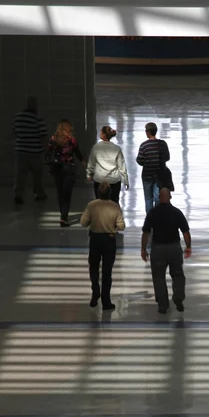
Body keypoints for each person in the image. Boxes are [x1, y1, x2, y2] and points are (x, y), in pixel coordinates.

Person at [141, 188, 191, 314]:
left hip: (158, 249)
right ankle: (178, 297)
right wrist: (188, 246)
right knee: (178, 274)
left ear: (160, 198)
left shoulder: (153, 213)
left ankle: (163, 305)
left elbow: (146, 232)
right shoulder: (176, 212)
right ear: (170, 197)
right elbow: (185, 232)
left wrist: (143, 249)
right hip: (174, 248)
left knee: (158, 277)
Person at [80, 182, 125, 311]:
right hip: (109, 240)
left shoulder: (92, 205)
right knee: (107, 271)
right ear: (110, 193)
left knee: (93, 268)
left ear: (98, 192)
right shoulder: (115, 206)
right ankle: (106, 301)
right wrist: (114, 227)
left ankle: (95, 292)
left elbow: (83, 222)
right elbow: (121, 226)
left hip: (95, 239)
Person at [48, 119, 85, 227]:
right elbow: (77, 152)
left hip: (57, 168)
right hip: (69, 168)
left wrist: (50, 168)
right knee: (67, 194)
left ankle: (62, 214)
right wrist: (83, 161)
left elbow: (49, 153)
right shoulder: (71, 140)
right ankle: (64, 217)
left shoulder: (53, 139)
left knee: (60, 193)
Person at [13, 96, 48, 204]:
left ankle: (18, 195)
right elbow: (43, 137)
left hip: (21, 151)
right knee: (37, 175)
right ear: (34, 105)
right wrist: (47, 149)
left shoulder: (18, 118)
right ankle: (39, 194)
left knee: (21, 175)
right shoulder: (38, 119)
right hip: (35, 152)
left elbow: (15, 132)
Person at [86, 125, 129, 204]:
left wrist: (89, 174)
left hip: (99, 180)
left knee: (100, 204)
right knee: (114, 204)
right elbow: (121, 166)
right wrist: (126, 180)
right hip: (114, 180)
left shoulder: (96, 147)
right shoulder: (116, 148)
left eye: (101, 132)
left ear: (103, 134)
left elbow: (91, 163)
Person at [136, 122, 170, 213]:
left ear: (148, 132)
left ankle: (150, 220)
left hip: (147, 175)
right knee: (158, 197)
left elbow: (139, 160)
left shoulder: (144, 145)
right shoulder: (162, 144)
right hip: (160, 175)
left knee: (148, 199)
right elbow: (167, 157)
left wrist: (147, 162)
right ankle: (158, 219)